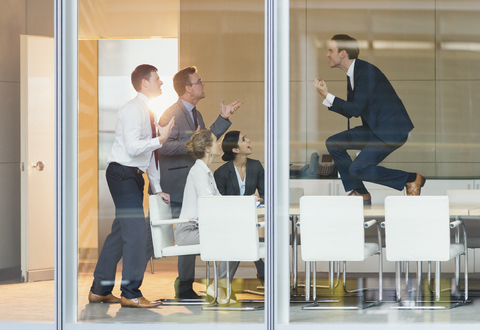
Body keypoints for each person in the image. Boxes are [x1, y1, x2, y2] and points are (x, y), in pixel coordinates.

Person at [88, 64, 175, 308]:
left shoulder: (148, 112)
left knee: (120, 234)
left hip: (134, 176)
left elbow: (151, 157)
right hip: (122, 174)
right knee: (136, 233)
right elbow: (133, 148)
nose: (161, 83)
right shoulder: (132, 110)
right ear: (144, 83)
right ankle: (130, 293)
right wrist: (162, 138)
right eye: (157, 79)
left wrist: (156, 187)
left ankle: (100, 290)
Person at [156, 66, 243, 298]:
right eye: (199, 82)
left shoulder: (196, 113)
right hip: (176, 184)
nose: (203, 85)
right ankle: (181, 286)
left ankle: (196, 286)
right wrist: (190, 144)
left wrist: (224, 118)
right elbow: (162, 145)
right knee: (176, 236)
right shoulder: (171, 113)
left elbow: (205, 140)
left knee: (197, 233)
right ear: (187, 88)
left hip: (194, 182)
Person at [313, 34, 425, 203]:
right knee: (333, 143)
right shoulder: (353, 73)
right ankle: (360, 192)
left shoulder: (365, 72)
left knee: (357, 169)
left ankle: (411, 178)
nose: (327, 54)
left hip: (390, 131)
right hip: (375, 129)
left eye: (330, 50)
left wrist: (326, 95)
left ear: (342, 53)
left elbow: (355, 110)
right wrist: (328, 97)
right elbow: (351, 111)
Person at [173, 129, 233, 303]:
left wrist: (243, 201)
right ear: (207, 148)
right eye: (216, 141)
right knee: (236, 240)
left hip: (198, 229)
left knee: (238, 240)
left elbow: (218, 200)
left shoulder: (205, 171)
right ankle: (217, 287)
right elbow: (209, 202)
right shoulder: (198, 171)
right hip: (188, 232)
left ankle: (217, 286)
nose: (219, 144)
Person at [214, 130, 265, 284]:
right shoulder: (221, 173)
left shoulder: (256, 166)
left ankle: (220, 284)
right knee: (242, 236)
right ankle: (263, 272)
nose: (249, 140)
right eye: (243, 139)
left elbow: (266, 196)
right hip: (228, 223)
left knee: (243, 234)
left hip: (248, 220)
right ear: (235, 150)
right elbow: (219, 204)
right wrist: (246, 201)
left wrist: (259, 199)